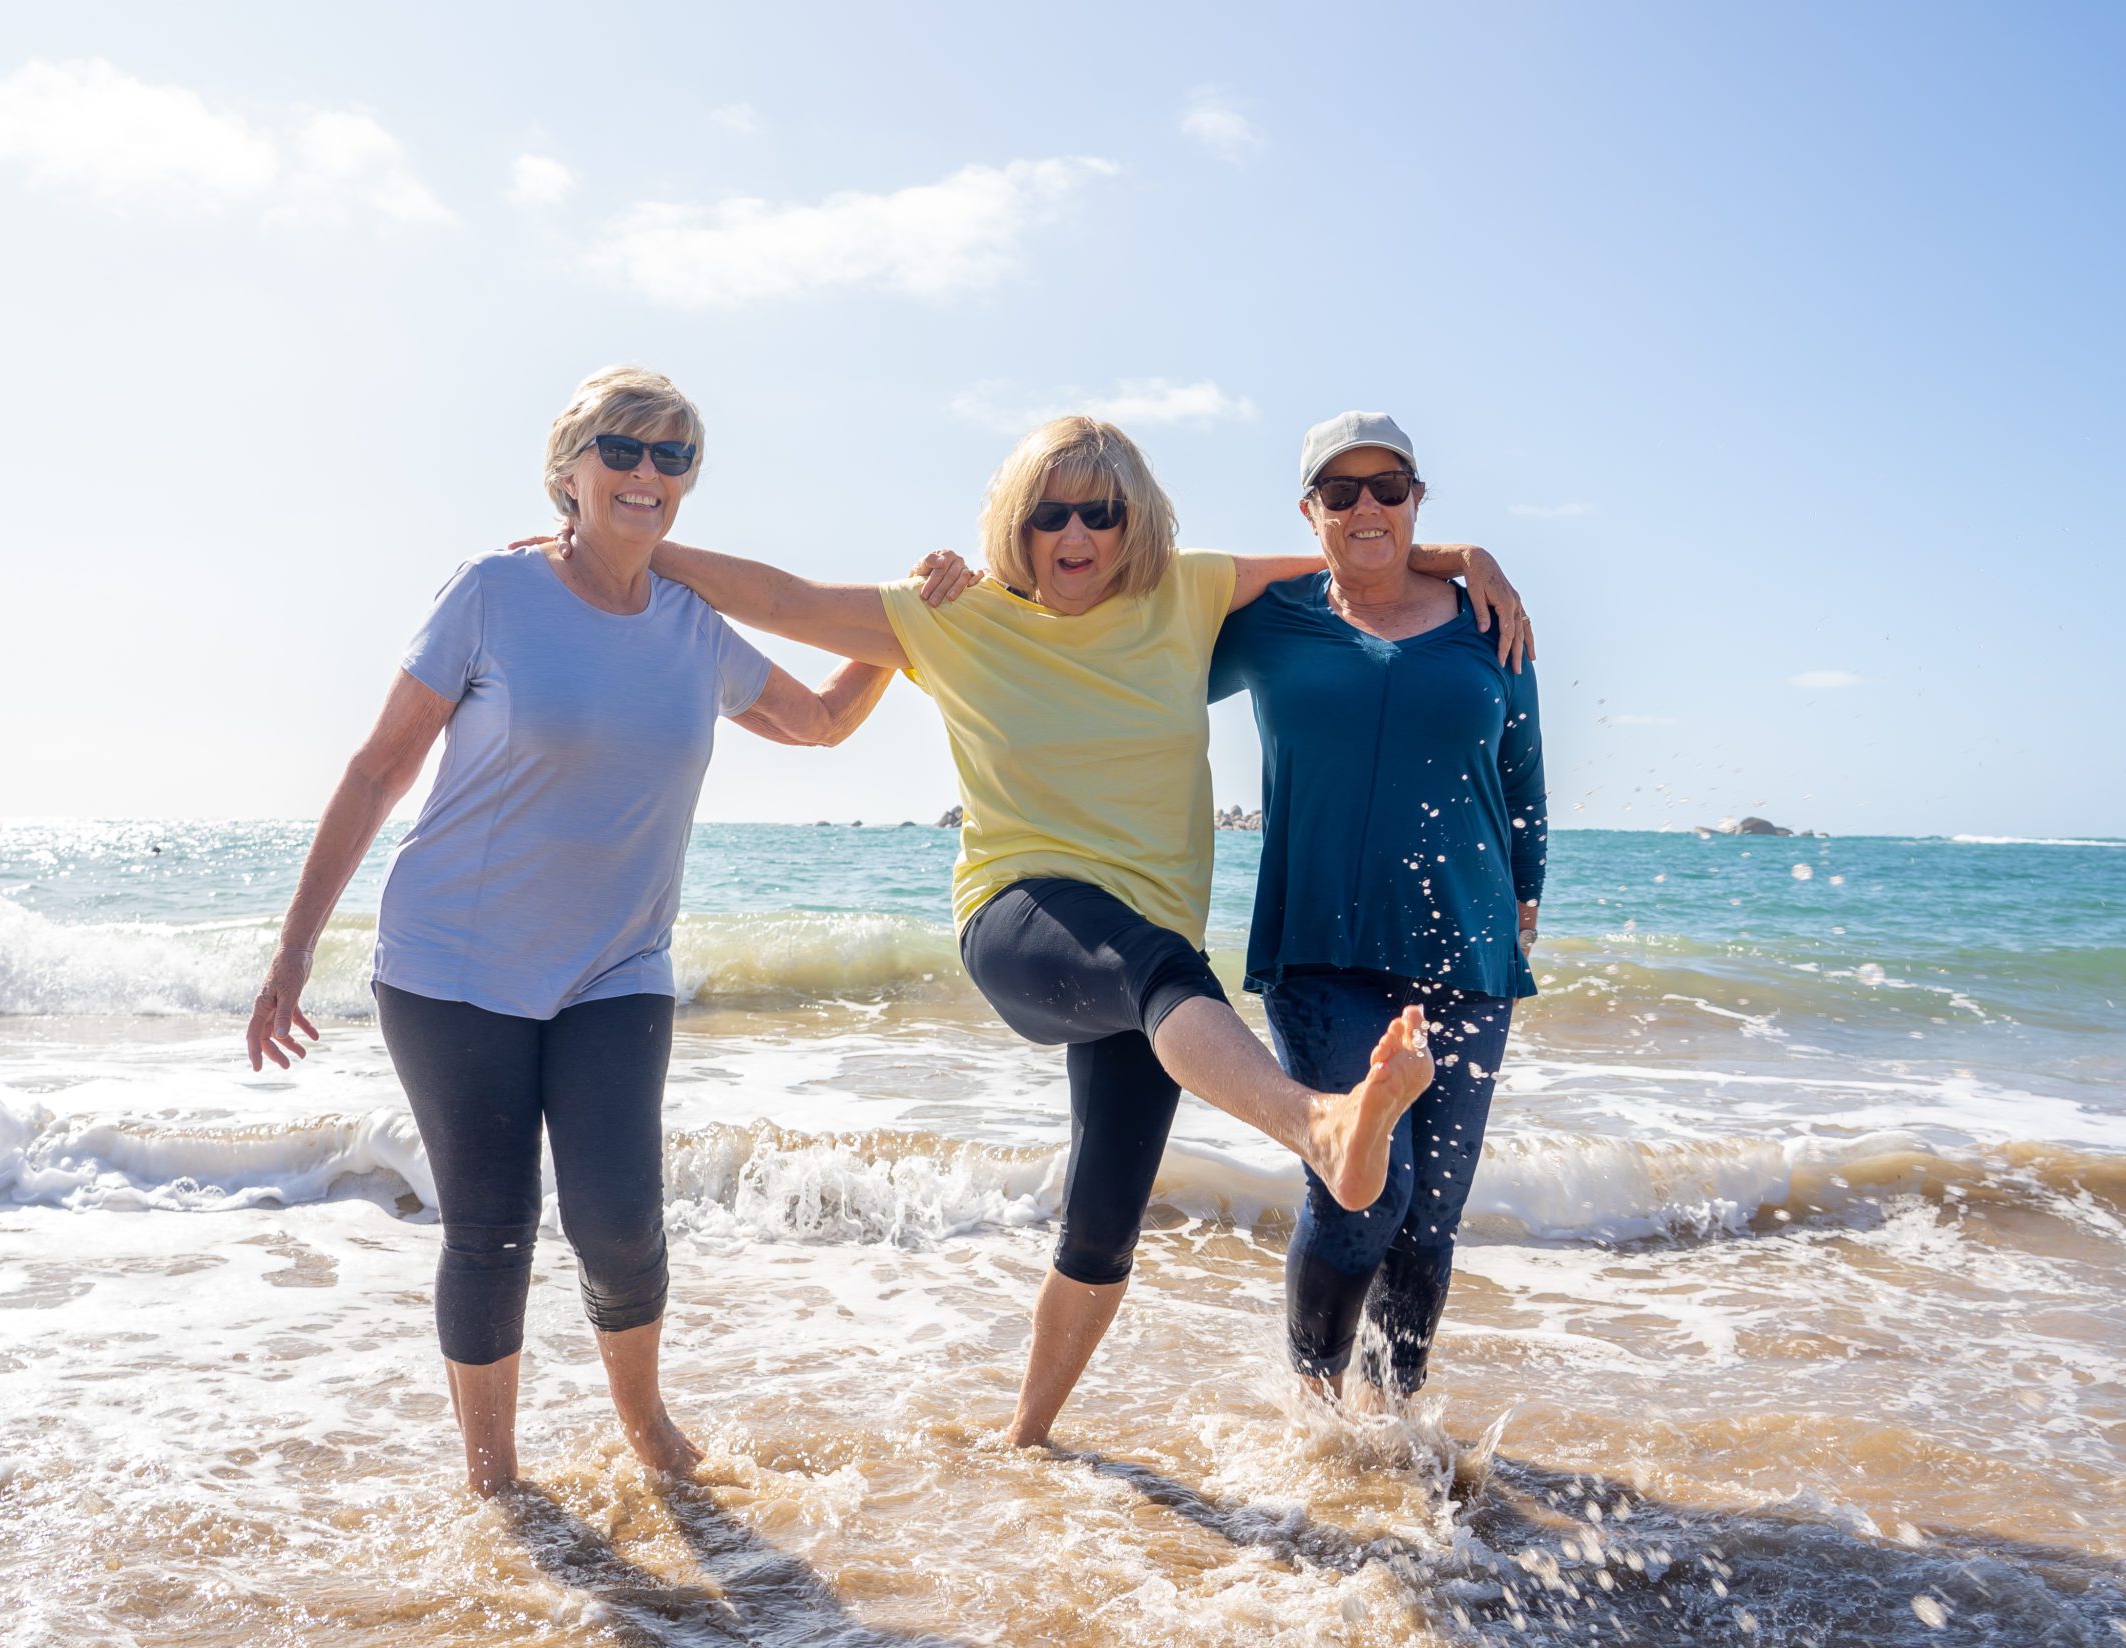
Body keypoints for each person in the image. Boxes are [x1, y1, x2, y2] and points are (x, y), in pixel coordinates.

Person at [627, 415, 1533, 1447]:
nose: (1076, 533)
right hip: (1023, 918)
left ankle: (1025, 1439)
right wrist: (635, 548)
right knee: (1160, 968)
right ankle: (1316, 1125)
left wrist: (1467, 557)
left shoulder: (1183, 596)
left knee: (1103, 1224)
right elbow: (785, 600)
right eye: (1050, 512)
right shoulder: (954, 618)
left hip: (1155, 986)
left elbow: (1357, 548)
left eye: (1099, 513)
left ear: (1130, 523)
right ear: (1017, 523)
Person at [242, 366, 901, 1495]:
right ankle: (494, 1479)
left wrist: (912, 627)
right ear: (570, 471)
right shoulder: (493, 593)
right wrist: (296, 945)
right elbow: (379, 765)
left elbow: (824, 723)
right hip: (454, 963)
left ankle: (646, 1430)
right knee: (492, 1226)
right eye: (623, 449)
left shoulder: (696, 625)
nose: (648, 473)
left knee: (622, 1223)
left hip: (617, 966)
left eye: (673, 455)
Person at [1209, 411, 1548, 1403]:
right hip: (1321, 948)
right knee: (1363, 1189)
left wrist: (1526, 894)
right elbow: (1148, 644)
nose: (1367, 507)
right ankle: (1313, 1409)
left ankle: (1390, 1418)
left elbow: (1523, 780)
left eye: (1388, 488)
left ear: (1416, 497)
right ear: (1307, 509)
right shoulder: (1273, 623)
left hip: (1469, 949)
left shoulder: (1490, 620)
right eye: (1341, 491)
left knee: (1430, 1212)